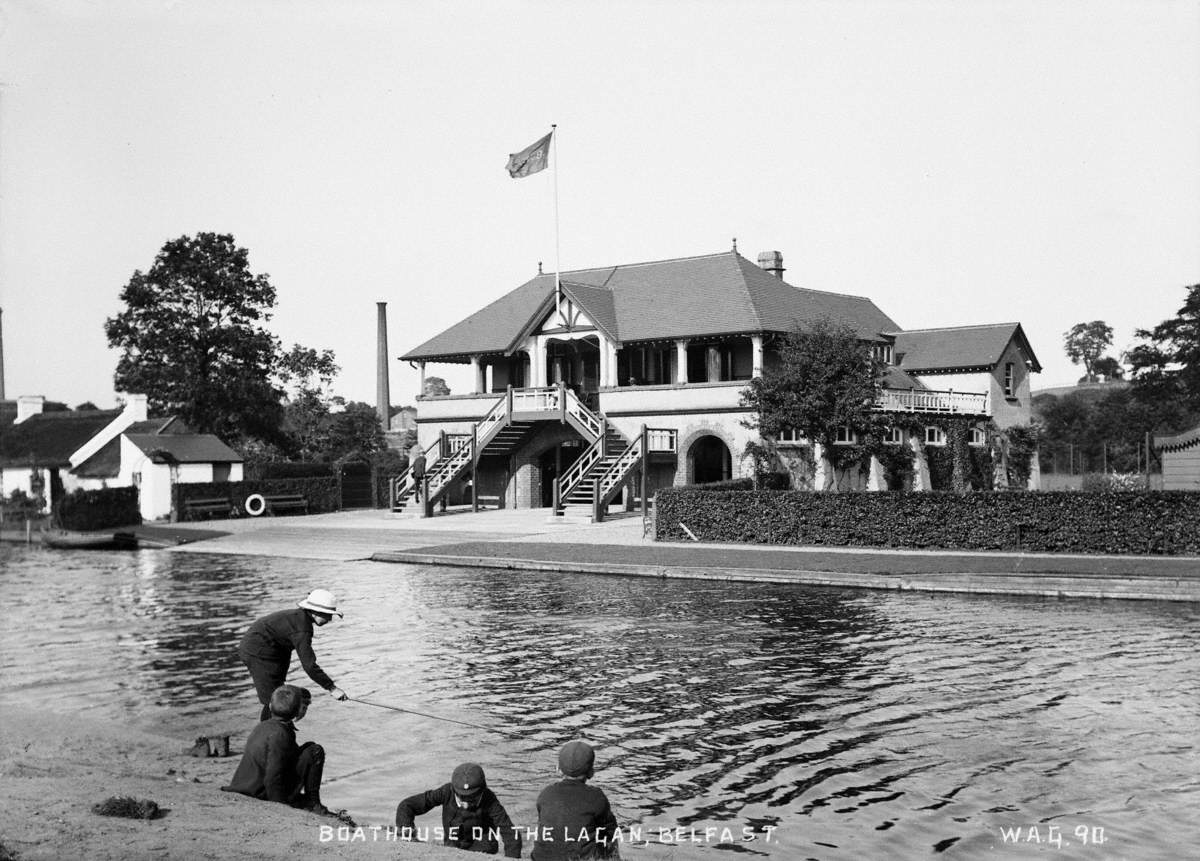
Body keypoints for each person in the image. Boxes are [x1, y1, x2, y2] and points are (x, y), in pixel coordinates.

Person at [238, 588, 348, 721]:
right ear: (314, 612)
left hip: (273, 652)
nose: (330, 619)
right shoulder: (302, 629)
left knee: (279, 696)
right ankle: (270, 734)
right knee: (273, 701)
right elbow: (309, 666)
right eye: (327, 615)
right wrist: (332, 688)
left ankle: (282, 729)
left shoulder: (299, 619)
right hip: (257, 652)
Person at [222, 684, 333, 815]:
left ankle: (308, 801)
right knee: (315, 751)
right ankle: (314, 803)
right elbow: (273, 776)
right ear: (298, 711)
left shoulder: (263, 726)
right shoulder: (280, 735)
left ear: (269, 706)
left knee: (309, 747)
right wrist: (280, 806)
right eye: (303, 707)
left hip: (246, 785)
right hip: (260, 793)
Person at [395, 762, 522, 858]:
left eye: (472, 798)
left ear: (482, 791)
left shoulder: (490, 800)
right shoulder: (446, 792)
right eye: (462, 797)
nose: (466, 804)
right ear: (454, 790)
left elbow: (511, 834)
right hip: (452, 846)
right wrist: (409, 837)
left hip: (482, 848)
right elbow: (406, 806)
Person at [531, 741, 619, 860]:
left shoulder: (546, 793)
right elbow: (610, 831)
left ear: (558, 769)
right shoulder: (596, 796)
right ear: (591, 772)